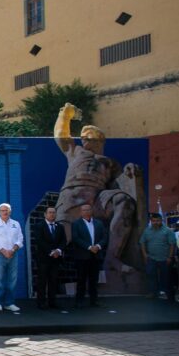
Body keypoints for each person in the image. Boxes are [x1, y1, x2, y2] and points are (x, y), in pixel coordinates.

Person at [54, 103, 138, 275]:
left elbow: (120, 183)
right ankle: (55, 278)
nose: (83, 140)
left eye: (88, 138)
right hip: (73, 197)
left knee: (123, 200)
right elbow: (61, 136)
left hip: (98, 199)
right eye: (83, 138)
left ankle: (113, 258)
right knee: (63, 240)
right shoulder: (75, 151)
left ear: (100, 140)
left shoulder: (110, 162)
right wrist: (65, 115)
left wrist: (131, 169)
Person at [70, 203, 109, 308]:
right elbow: (76, 238)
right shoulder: (76, 224)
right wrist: (89, 247)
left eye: (88, 210)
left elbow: (105, 237)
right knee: (81, 279)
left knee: (94, 280)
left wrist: (98, 246)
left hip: (96, 256)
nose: (86, 212)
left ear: (92, 211)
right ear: (80, 212)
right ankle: (79, 301)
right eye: (84, 210)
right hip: (82, 256)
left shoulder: (99, 223)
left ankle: (94, 300)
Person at [0, 203, 23, 312]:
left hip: (13, 254)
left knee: (12, 280)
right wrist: (4, 251)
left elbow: (20, 239)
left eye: (7, 210)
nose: (5, 212)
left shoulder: (16, 224)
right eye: (3, 210)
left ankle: (9, 303)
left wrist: (12, 250)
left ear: (10, 211)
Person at [33, 207, 67, 309]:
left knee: (53, 280)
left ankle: (52, 302)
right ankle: (41, 302)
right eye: (50, 212)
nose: (52, 214)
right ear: (45, 214)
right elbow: (39, 240)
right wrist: (51, 251)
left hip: (56, 259)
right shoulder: (39, 226)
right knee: (42, 281)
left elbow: (63, 241)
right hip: (44, 258)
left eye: (54, 212)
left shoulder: (60, 227)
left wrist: (58, 251)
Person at [139, 213, 176, 299]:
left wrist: (170, 257)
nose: (156, 222)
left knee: (166, 277)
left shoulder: (168, 231)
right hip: (151, 258)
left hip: (165, 258)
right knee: (151, 276)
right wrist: (145, 255)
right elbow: (142, 243)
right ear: (151, 221)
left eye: (158, 221)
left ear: (161, 220)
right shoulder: (147, 231)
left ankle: (169, 294)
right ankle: (153, 293)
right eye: (154, 221)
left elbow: (172, 245)